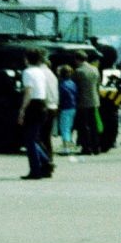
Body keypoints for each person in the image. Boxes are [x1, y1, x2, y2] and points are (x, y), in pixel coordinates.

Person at [18, 46, 54, 178]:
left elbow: (28, 92)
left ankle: (36, 170)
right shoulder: (40, 71)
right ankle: (46, 162)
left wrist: (22, 110)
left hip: (33, 105)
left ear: (27, 59)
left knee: (29, 140)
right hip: (42, 104)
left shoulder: (27, 72)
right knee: (33, 138)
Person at [73, 52, 102, 155]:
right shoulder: (95, 69)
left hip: (82, 102)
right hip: (94, 100)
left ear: (77, 59)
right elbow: (98, 83)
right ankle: (96, 147)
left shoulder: (78, 71)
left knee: (84, 126)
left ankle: (86, 148)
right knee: (93, 125)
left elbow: (74, 86)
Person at [56, 63, 77, 153]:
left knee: (64, 128)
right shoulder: (72, 83)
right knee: (69, 127)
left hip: (65, 108)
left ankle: (66, 147)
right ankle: (69, 145)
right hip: (73, 107)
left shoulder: (61, 85)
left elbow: (60, 98)